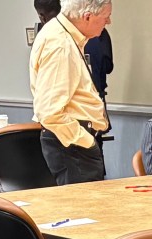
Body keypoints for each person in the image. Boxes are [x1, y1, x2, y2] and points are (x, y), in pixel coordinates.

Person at [29, 0, 111, 185]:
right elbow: (48, 111)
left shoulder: (62, 35)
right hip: (73, 145)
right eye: (106, 17)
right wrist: (84, 140)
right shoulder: (61, 44)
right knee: (85, 203)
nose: (108, 22)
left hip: (73, 143)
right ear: (87, 17)